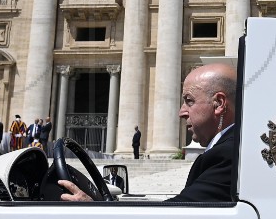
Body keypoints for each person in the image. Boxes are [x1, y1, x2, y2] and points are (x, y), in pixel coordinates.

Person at [60, 63, 237, 202]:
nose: (181, 112)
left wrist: (96, 210)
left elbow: (179, 212)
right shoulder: (228, 150)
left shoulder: (227, 155)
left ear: (219, 104)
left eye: (189, 101)